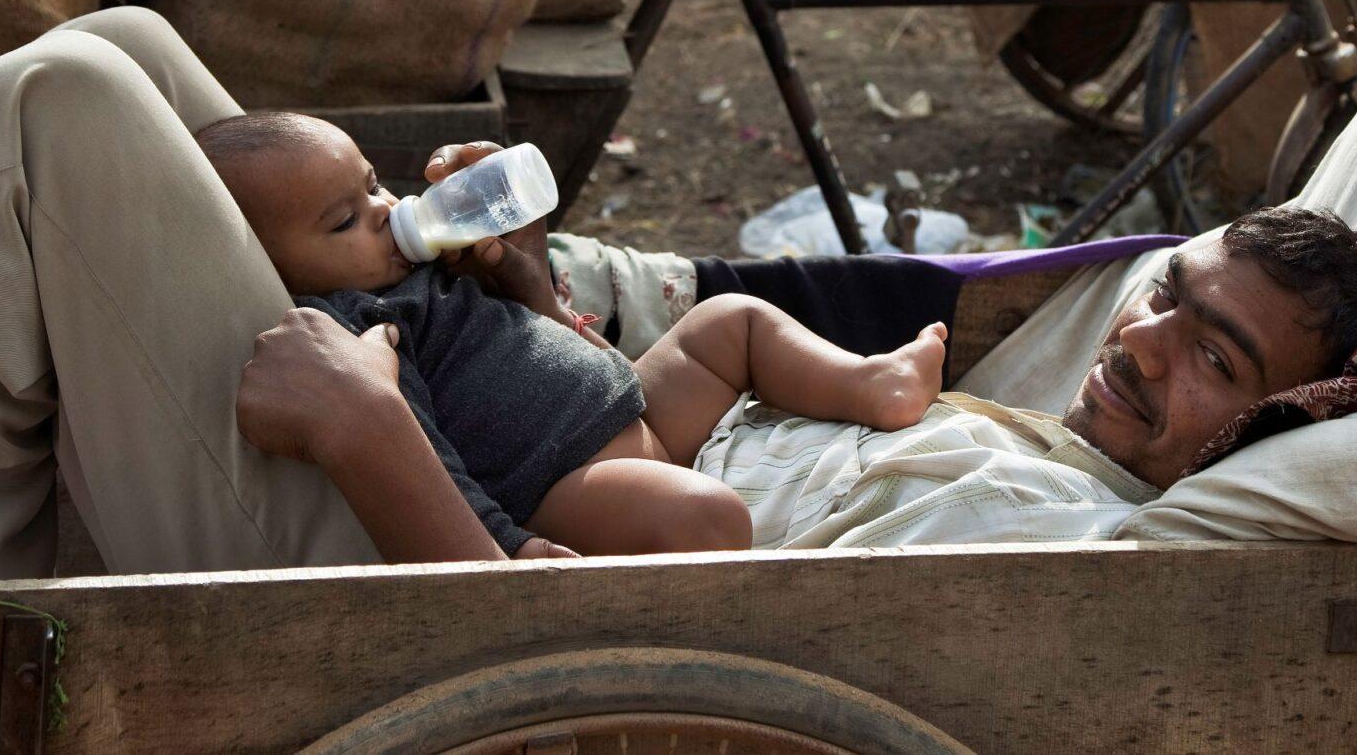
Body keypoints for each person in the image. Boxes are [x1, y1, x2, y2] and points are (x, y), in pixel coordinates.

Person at [0, 10, 1357, 753]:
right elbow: (699, 401)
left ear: (1282, 426)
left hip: (407, 590)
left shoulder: (1031, 539)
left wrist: (387, 428)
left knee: (51, 105)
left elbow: (621, 669)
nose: (1149, 347)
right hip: (447, 472)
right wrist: (555, 339)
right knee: (129, 48)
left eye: (1212, 366)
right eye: (1170, 299)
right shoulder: (1018, 437)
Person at [198, 110, 950, 558]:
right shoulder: (365, 329)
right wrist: (508, 543)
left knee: (729, 319)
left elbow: (530, 334)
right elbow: (423, 454)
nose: (387, 212)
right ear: (275, 271)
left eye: (372, 185)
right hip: (561, 485)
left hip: (632, 413)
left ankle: (871, 382)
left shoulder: (422, 270)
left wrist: (538, 294)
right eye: (343, 222)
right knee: (706, 517)